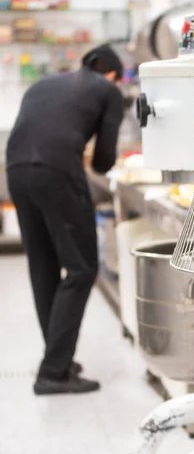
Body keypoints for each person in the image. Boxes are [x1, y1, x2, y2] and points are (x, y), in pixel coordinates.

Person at [6, 44, 125, 395]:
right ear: (113, 74)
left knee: (43, 266)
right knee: (81, 269)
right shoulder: (108, 91)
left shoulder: (45, 83)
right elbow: (104, 160)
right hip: (56, 173)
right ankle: (53, 372)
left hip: (15, 171)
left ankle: (56, 360)